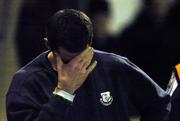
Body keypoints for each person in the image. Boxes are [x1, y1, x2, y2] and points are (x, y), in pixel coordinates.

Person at [6, 9, 170, 121]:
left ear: (90, 44)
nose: (77, 67)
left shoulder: (114, 66)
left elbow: (160, 104)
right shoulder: (26, 83)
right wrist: (63, 94)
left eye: (83, 57)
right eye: (67, 60)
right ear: (48, 45)